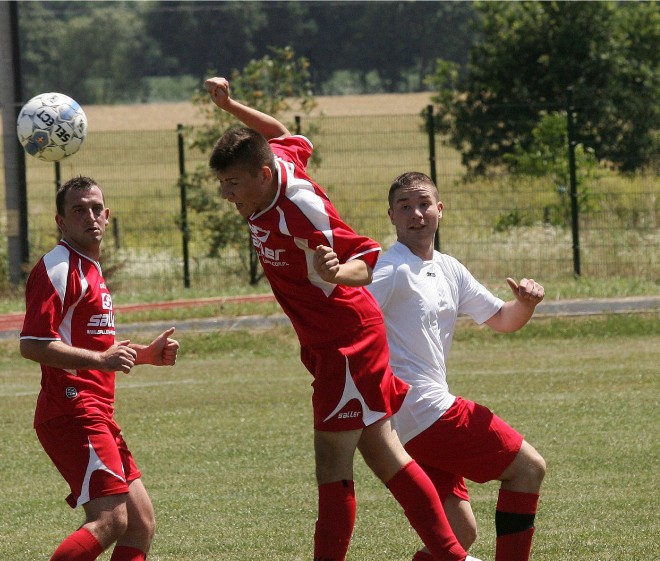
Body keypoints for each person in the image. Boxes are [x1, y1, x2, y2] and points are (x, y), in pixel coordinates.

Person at [205, 76, 481, 561]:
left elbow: (369, 255)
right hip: (331, 339)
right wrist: (231, 107)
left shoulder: (300, 208)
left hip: (347, 340)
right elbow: (277, 131)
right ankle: (455, 556)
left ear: (263, 176)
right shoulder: (277, 160)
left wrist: (340, 271)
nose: (227, 194)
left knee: (333, 465)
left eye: (233, 183)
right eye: (223, 183)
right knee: (384, 453)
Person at [366, 171, 547, 561]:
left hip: (414, 420)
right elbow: (352, 317)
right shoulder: (391, 268)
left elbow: (503, 318)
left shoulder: (449, 268)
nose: (416, 213)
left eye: (424, 204)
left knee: (458, 536)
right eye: (405, 207)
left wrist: (526, 305)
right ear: (391, 217)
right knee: (529, 468)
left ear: (440, 210)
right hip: (425, 409)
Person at [19, 176, 180, 561]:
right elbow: (33, 344)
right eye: (78, 209)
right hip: (72, 409)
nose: (90, 216)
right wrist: (101, 360)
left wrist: (142, 355)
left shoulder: (90, 268)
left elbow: (93, 346)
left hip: (96, 411)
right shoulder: (57, 267)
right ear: (61, 221)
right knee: (110, 519)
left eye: (96, 208)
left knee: (140, 524)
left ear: (107, 216)